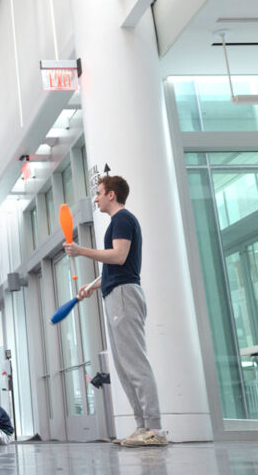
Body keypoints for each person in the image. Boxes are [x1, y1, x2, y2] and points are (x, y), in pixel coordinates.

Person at [64, 174, 167, 447]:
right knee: (123, 367)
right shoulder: (117, 222)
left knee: (134, 363)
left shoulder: (122, 219)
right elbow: (117, 264)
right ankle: (142, 426)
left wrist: (80, 251)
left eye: (99, 192)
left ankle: (155, 429)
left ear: (112, 194)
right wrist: (94, 284)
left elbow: (119, 256)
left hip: (124, 295)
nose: (95, 197)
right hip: (115, 293)